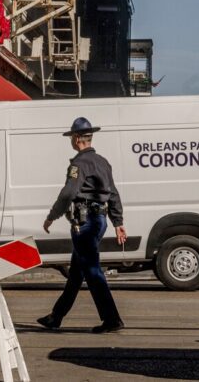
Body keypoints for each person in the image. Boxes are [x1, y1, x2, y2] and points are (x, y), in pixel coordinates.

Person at [37, 117, 126, 333]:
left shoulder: (78, 164)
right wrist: (118, 222)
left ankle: (112, 319)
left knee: (92, 271)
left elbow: (68, 193)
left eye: (71, 138)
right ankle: (56, 316)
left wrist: (51, 216)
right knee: (77, 272)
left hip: (85, 223)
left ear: (77, 139)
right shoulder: (103, 161)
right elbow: (113, 193)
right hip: (100, 221)